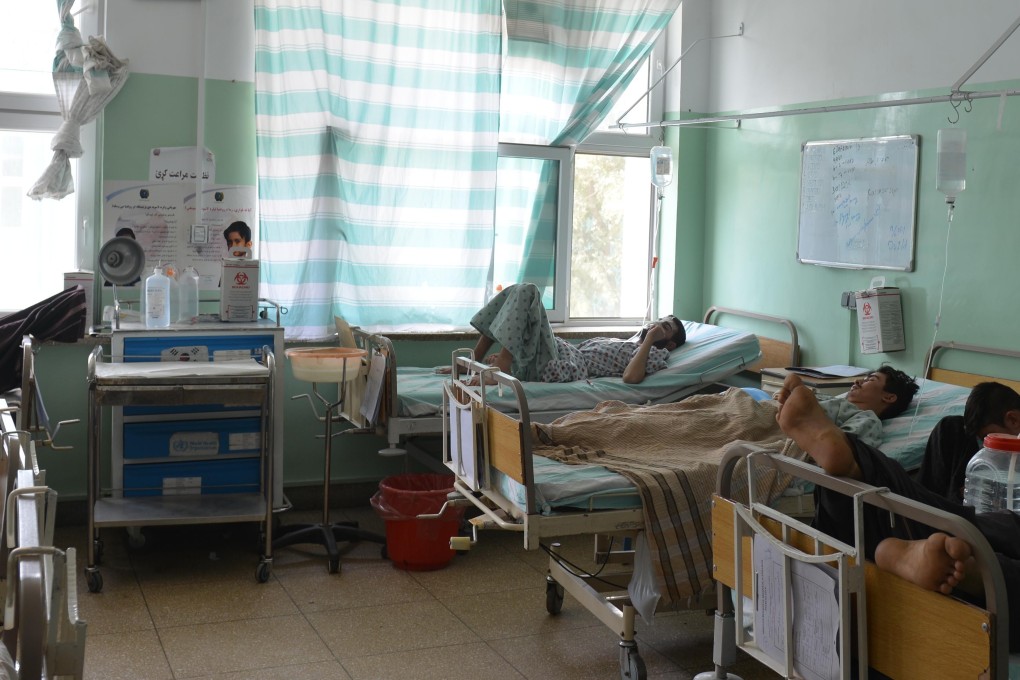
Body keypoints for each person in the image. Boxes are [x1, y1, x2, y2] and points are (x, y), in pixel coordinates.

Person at [774, 375, 1020, 651]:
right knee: (941, 490)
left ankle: (967, 568)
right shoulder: (962, 438)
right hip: (978, 522)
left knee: (941, 516)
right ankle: (956, 558)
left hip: (980, 526)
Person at [465, 282, 685, 384]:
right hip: (559, 352)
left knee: (529, 291)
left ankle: (503, 365)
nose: (656, 325)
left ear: (671, 344)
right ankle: (476, 359)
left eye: (664, 327)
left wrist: (649, 343)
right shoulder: (626, 341)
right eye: (659, 320)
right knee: (516, 291)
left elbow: (630, 378)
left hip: (565, 364)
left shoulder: (654, 354)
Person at [918, 382, 1020, 502]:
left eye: (988, 437)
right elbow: (927, 493)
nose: (986, 447)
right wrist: (963, 494)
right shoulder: (953, 432)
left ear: (1013, 420)